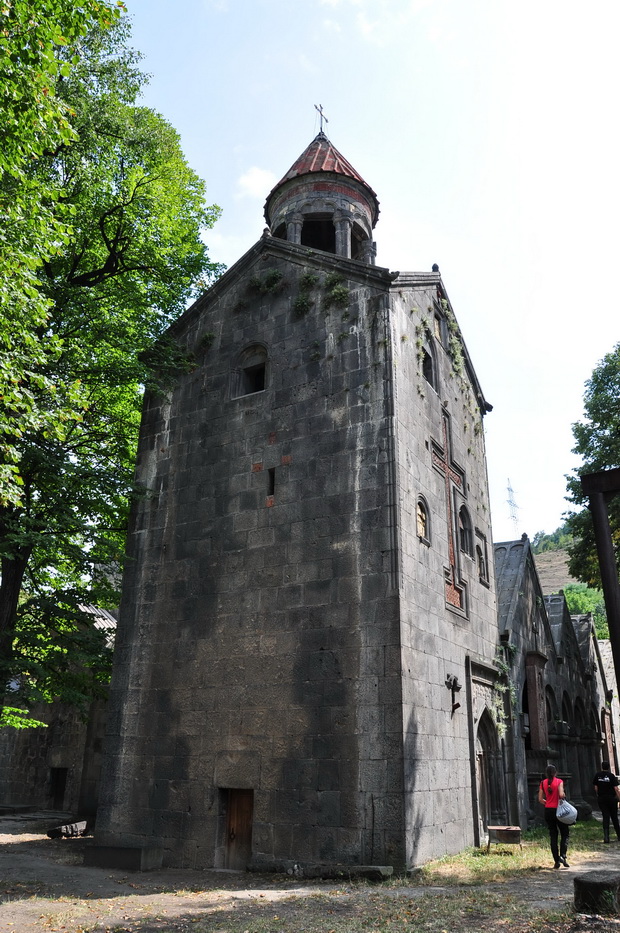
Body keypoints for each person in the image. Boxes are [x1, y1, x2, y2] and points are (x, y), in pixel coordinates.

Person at [538, 764, 570, 869]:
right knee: (564, 833)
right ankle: (563, 856)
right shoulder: (559, 781)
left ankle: (556, 861)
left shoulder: (543, 783)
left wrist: (548, 802)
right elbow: (561, 795)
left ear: (546, 773)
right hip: (559, 811)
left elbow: (540, 799)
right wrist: (563, 795)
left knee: (553, 835)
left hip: (548, 811)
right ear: (555, 772)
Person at [593, 760, 620, 843]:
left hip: (602, 798)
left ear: (602, 767)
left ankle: (606, 837)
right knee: (614, 817)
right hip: (611, 798)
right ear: (608, 767)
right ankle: (619, 835)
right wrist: (618, 798)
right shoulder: (611, 776)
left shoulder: (598, 775)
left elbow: (596, 788)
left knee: (605, 816)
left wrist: (599, 794)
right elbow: (616, 788)